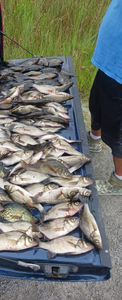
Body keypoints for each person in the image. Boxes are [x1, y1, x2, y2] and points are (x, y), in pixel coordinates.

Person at [87, 0, 122, 195]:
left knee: (116, 129)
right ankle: (94, 139)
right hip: (109, 61)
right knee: (96, 103)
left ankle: (119, 180)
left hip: (119, 71)